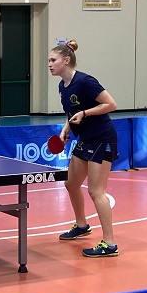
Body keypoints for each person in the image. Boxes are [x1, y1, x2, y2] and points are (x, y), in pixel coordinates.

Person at [49, 39, 120, 257]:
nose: (49, 64)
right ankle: (82, 225)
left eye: (53, 60)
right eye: (49, 61)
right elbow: (72, 113)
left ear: (66, 60)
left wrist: (85, 113)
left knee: (96, 191)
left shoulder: (85, 81)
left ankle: (109, 243)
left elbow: (111, 104)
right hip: (85, 139)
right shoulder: (63, 86)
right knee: (71, 184)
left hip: (102, 138)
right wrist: (66, 129)